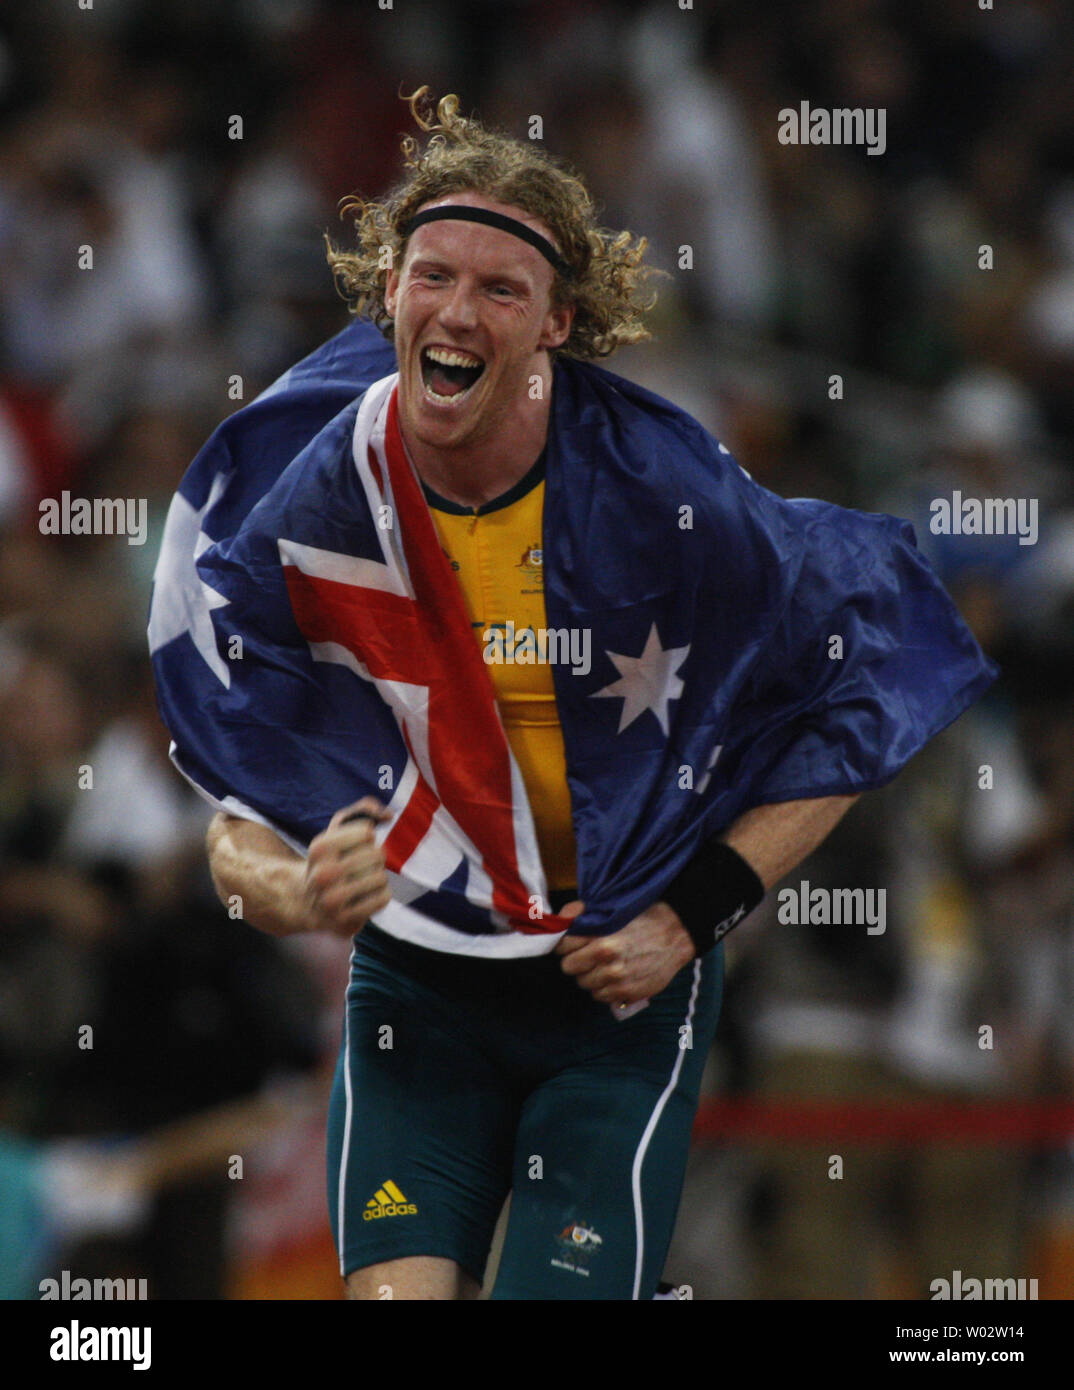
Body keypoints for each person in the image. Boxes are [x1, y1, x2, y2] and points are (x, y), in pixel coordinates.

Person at [150, 88, 996, 1300]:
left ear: (559, 323)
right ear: (388, 289)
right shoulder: (315, 489)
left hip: (615, 997)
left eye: (502, 290)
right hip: (417, 990)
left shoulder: (666, 496)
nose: (458, 310)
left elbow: (873, 667)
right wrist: (295, 891)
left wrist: (689, 918)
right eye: (434, 275)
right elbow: (236, 804)